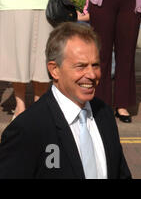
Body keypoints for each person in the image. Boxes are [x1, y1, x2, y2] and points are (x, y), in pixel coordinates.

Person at [0, 22, 131, 179]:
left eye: (95, 65)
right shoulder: (28, 128)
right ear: (54, 70)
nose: (91, 74)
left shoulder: (105, 114)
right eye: (81, 66)